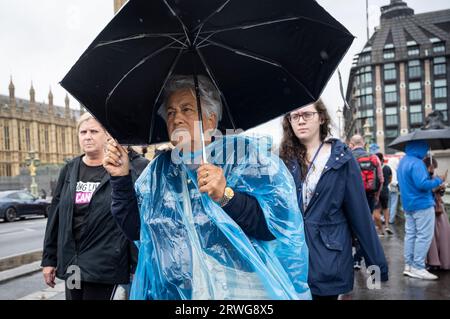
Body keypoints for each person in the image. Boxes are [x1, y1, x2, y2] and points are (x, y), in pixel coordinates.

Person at [103, 75, 311, 300]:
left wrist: (226, 195)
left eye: (187, 109)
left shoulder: (244, 157)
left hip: (238, 290)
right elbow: (137, 230)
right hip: (179, 293)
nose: (177, 118)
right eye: (171, 112)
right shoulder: (159, 171)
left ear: (211, 120)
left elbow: (273, 227)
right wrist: (120, 178)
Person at [279, 100, 388, 300]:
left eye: (307, 115)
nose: (300, 121)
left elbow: (361, 216)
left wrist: (376, 265)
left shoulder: (342, 160)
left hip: (329, 260)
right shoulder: (285, 161)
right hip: (293, 261)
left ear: (321, 118)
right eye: (295, 117)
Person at [41, 113, 145, 300]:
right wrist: (49, 259)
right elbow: (56, 216)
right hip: (73, 264)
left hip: (105, 267)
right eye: (83, 132)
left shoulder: (121, 169)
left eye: (94, 131)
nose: (87, 136)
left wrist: (136, 266)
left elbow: (132, 217)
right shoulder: (70, 169)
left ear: (107, 135)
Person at [397, 140, 446, 280]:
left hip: (408, 204)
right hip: (422, 204)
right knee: (424, 236)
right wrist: (438, 180)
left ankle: (409, 265)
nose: (426, 152)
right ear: (420, 148)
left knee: (411, 235)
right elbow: (423, 184)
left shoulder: (403, 162)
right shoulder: (417, 163)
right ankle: (418, 267)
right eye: (425, 148)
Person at [349, 135, 384, 268]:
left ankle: (347, 258)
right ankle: (358, 258)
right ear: (363, 143)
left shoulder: (349, 157)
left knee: (349, 226)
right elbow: (380, 179)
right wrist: (376, 196)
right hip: (369, 196)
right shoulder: (373, 157)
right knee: (365, 227)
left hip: (352, 197)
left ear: (352, 143)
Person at [424, 157, 450, 270]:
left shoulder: (434, 177)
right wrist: (436, 188)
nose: (433, 169)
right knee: (432, 236)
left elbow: (441, 194)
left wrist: (441, 189)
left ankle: (441, 261)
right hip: (430, 208)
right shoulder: (425, 178)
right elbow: (425, 191)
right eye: (432, 167)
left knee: (443, 235)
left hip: (438, 208)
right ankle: (434, 262)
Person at [373, 153, 393, 236]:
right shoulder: (387, 167)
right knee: (385, 208)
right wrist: (386, 184)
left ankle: (381, 230)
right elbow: (390, 178)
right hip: (385, 190)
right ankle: (387, 226)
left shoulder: (374, 167)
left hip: (376, 191)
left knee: (376, 211)